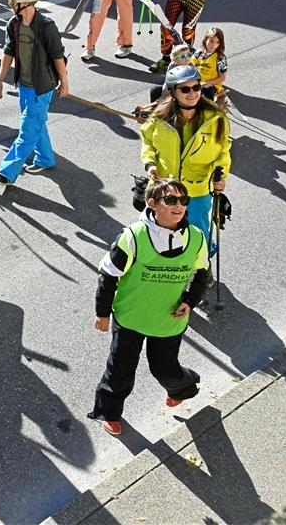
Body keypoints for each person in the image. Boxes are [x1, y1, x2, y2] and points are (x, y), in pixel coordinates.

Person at [87, 178, 209, 435]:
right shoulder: (133, 236)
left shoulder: (196, 238)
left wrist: (189, 302)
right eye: (171, 200)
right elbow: (108, 275)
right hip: (130, 317)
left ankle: (182, 388)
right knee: (120, 370)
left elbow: (201, 274)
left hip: (168, 319)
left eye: (183, 200)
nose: (179, 206)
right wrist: (102, 313)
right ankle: (108, 412)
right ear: (152, 203)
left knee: (165, 369)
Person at [140, 64, 231, 252]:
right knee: (159, 234)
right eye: (185, 89)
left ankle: (201, 265)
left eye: (196, 87)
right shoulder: (160, 116)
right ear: (173, 92)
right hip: (165, 187)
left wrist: (221, 177)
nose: (193, 93)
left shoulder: (215, 118)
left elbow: (223, 151)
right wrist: (149, 164)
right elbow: (147, 140)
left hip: (198, 190)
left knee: (197, 235)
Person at [0, 0, 70, 186]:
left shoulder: (46, 27)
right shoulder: (14, 24)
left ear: (26, 2)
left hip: (41, 88)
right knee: (35, 124)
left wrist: (64, 83)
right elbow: (8, 53)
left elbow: (58, 57)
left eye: (13, 0)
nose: (9, 3)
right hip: (24, 86)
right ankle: (45, 158)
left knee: (27, 131)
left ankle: (6, 172)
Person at [191, 26, 228, 95]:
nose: (213, 44)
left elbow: (222, 78)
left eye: (217, 42)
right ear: (205, 40)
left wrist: (205, 83)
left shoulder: (220, 58)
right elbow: (191, 68)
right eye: (211, 41)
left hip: (211, 85)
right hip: (196, 83)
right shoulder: (198, 53)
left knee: (206, 90)